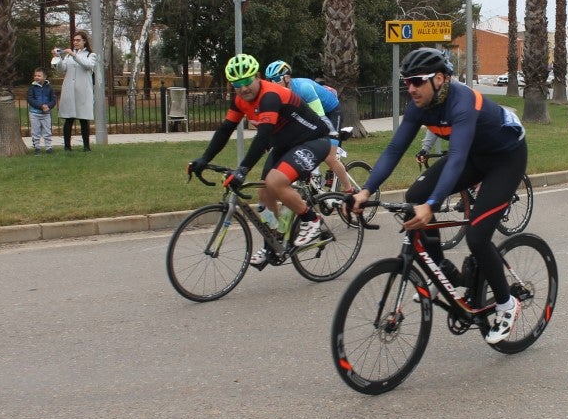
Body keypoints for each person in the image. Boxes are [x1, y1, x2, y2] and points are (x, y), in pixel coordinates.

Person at [350, 47, 527, 345]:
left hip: (505, 159)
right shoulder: (419, 106)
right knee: (414, 195)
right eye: (406, 81)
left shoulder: (463, 103)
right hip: (473, 155)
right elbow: (394, 150)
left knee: (477, 235)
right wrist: (365, 190)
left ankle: (507, 304)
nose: (411, 88)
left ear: (441, 79)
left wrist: (432, 206)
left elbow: (455, 158)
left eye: (417, 80)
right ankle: (443, 272)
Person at [188, 54, 331, 268]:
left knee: (275, 182)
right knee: (264, 195)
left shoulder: (269, 96)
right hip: (284, 144)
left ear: (257, 77)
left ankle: (312, 220)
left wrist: (242, 171)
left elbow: (263, 137)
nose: (243, 88)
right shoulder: (240, 100)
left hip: (313, 139)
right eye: (237, 84)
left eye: (247, 81)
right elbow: (225, 129)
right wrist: (203, 159)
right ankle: (273, 240)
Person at [263, 60, 351, 191]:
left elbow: (320, 119)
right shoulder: (279, 94)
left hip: (331, 113)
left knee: (329, 157)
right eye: (269, 80)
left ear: (287, 78)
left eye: (276, 79)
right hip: (313, 114)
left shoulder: (303, 88)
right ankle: (314, 179)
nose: (272, 84)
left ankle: (350, 190)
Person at [52, 31, 97, 152]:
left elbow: (87, 66)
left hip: (83, 91)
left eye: (78, 40)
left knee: (83, 119)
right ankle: (67, 147)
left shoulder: (90, 55)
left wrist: (73, 55)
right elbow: (63, 69)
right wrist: (58, 58)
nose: (75, 42)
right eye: (74, 40)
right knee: (69, 119)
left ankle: (86, 147)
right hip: (69, 91)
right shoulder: (68, 56)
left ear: (84, 41)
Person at [26, 68, 57, 154]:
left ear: (44, 77)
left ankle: (49, 147)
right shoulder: (32, 87)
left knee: (47, 131)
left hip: (46, 114)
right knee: (35, 131)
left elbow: (53, 100)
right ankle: (37, 147)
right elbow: (30, 99)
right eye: (35, 75)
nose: (37, 77)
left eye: (39, 76)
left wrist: (48, 106)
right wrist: (40, 106)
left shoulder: (49, 88)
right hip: (34, 113)